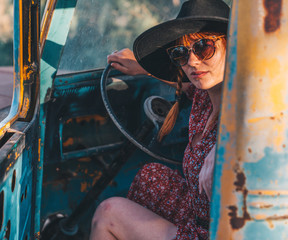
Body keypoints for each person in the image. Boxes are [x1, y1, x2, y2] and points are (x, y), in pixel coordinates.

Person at [90, 0, 230, 239]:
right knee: (152, 177)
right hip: (198, 214)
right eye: (181, 53)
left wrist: (226, 145)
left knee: (109, 212)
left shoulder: (253, 112)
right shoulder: (203, 96)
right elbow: (186, 80)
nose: (193, 62)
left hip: (218, 232)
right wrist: (143, 67)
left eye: (204, 47)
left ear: (233, 47)